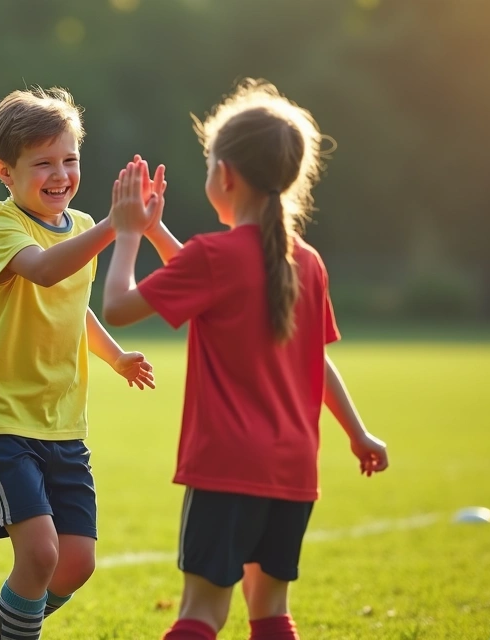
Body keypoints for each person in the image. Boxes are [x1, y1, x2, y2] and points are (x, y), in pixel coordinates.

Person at [99, 80, 390, 640]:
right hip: (293, 469)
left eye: (209, 164)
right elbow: (315, 362)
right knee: (270, 613)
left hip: (227, 467)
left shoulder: (216, 256)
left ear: (225, 176)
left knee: (201, 614)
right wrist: (358, 433)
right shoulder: (305, 261)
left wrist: (129, 234)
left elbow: (116, 307)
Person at [0, 87, 156, 640]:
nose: (60, 174)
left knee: (76, 563)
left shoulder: (84, 224)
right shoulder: (0, 226)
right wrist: (115, 226)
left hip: (63, 424)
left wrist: (115, 356)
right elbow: (43, 272)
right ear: (5, 170)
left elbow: (74, 304)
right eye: (42, 162)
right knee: (40, 553)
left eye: (70, 159)